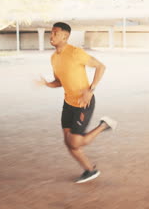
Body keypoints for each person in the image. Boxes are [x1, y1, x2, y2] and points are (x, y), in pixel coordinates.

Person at [36, 22, 117, 183]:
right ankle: (90, 170)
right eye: (50, 33)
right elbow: (59, 81)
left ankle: (103, 125)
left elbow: (101, 66)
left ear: (65, 36)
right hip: (68, 103)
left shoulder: (75, 53)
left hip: (83, 103)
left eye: (55, 33)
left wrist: (91, 89)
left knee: (74, 142)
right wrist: (47, 84)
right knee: (68, 142)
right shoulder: (54, 58)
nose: (51, 36)